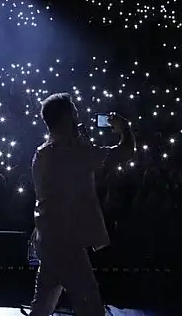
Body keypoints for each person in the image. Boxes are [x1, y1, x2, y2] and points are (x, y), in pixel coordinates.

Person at [29, 92, 135, 316]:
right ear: (66, 118)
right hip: (67, 244)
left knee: (42, 305)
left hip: (47, 239)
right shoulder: (75, 153)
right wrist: (125, 129)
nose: (79, 116)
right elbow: (124, 153)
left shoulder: (42, 153)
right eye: (74, 112)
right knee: (92, 308)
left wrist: (81, 144)